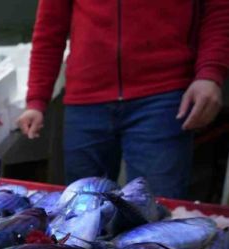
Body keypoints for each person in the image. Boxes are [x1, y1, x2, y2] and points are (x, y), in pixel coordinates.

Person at [17, 0, 229, 199]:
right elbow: (50, 29)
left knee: (154, 213)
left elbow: (219, 10)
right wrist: (36, 99)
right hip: (85, 101)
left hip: (162, 95)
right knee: (80, 212)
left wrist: (211, 73)